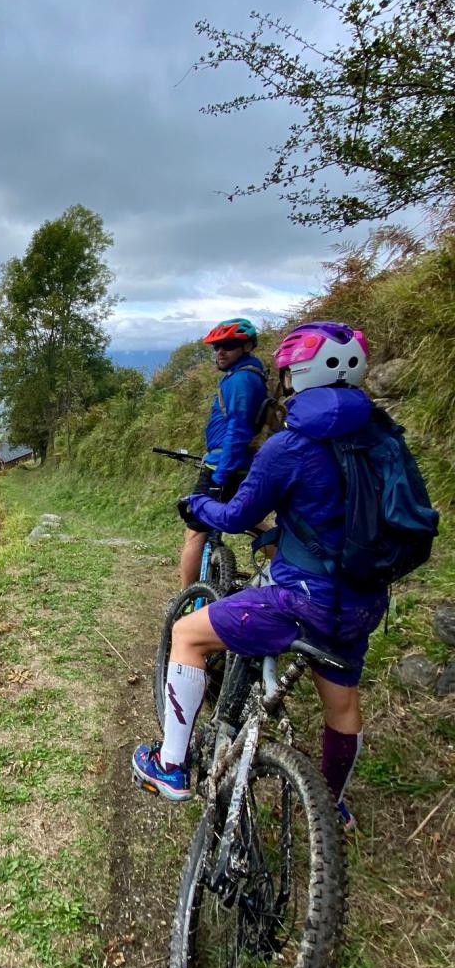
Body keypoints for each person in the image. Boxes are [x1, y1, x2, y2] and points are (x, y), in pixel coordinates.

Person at [134, 321, 388, 827]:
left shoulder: (287, 447)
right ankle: (330, 808)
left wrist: (200, 504)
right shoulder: (384, 440)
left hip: (301, 600)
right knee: (342, 705)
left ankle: (171, 766)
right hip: (362, 601)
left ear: (294, 376)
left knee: (186, 634)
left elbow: (233, 516)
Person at [179, 317, 267, 588]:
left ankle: (183, 599)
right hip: (240, 462)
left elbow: (238, 429)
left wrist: (220, 476)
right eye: (216, 346)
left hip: (223, 465)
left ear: (248, 346)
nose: (220, 351)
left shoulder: (241, 380)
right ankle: (285, 574)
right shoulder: (249, 375)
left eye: (228, 345)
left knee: (195, 533)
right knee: (254, 521)